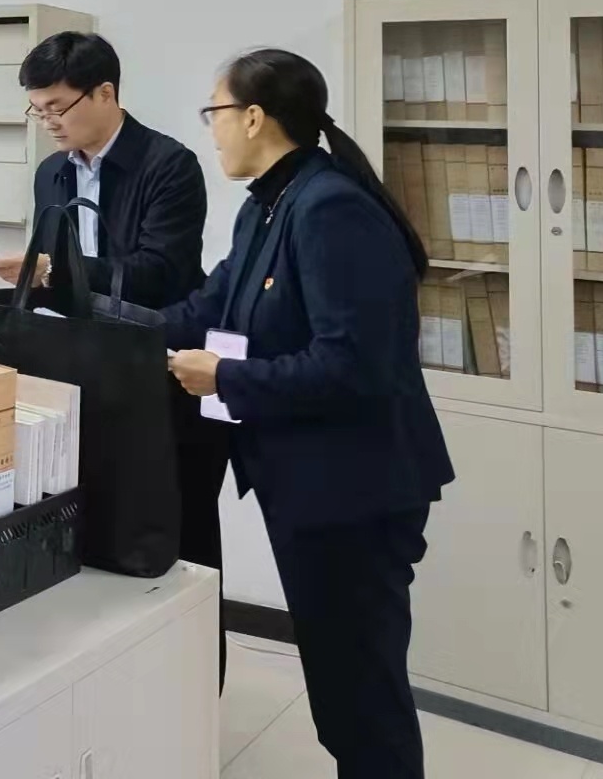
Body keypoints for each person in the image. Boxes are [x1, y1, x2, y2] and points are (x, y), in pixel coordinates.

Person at [164, 49, 453, 779]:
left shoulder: (329, 209)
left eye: (214, 113)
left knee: (362, 700)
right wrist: (99, 322)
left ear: (254, 117)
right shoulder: (266, 205)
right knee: (341, 691)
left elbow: (352, 367)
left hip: (354, 491)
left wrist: (224, 376)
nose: (211, 129)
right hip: (309, 486)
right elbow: (206, 309)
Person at [0, 31, 230, 677]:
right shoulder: (52, 174)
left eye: (58, 107)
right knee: (92, 530)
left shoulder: (168, 165)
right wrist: (36, 276)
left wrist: (53, 270)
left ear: (105, 93)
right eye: (37, 109)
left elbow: (157, 272)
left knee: (183, 538)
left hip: (163, 374)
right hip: (83, 374)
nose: (48, 122)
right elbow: (61, 280)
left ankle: (197, 687)